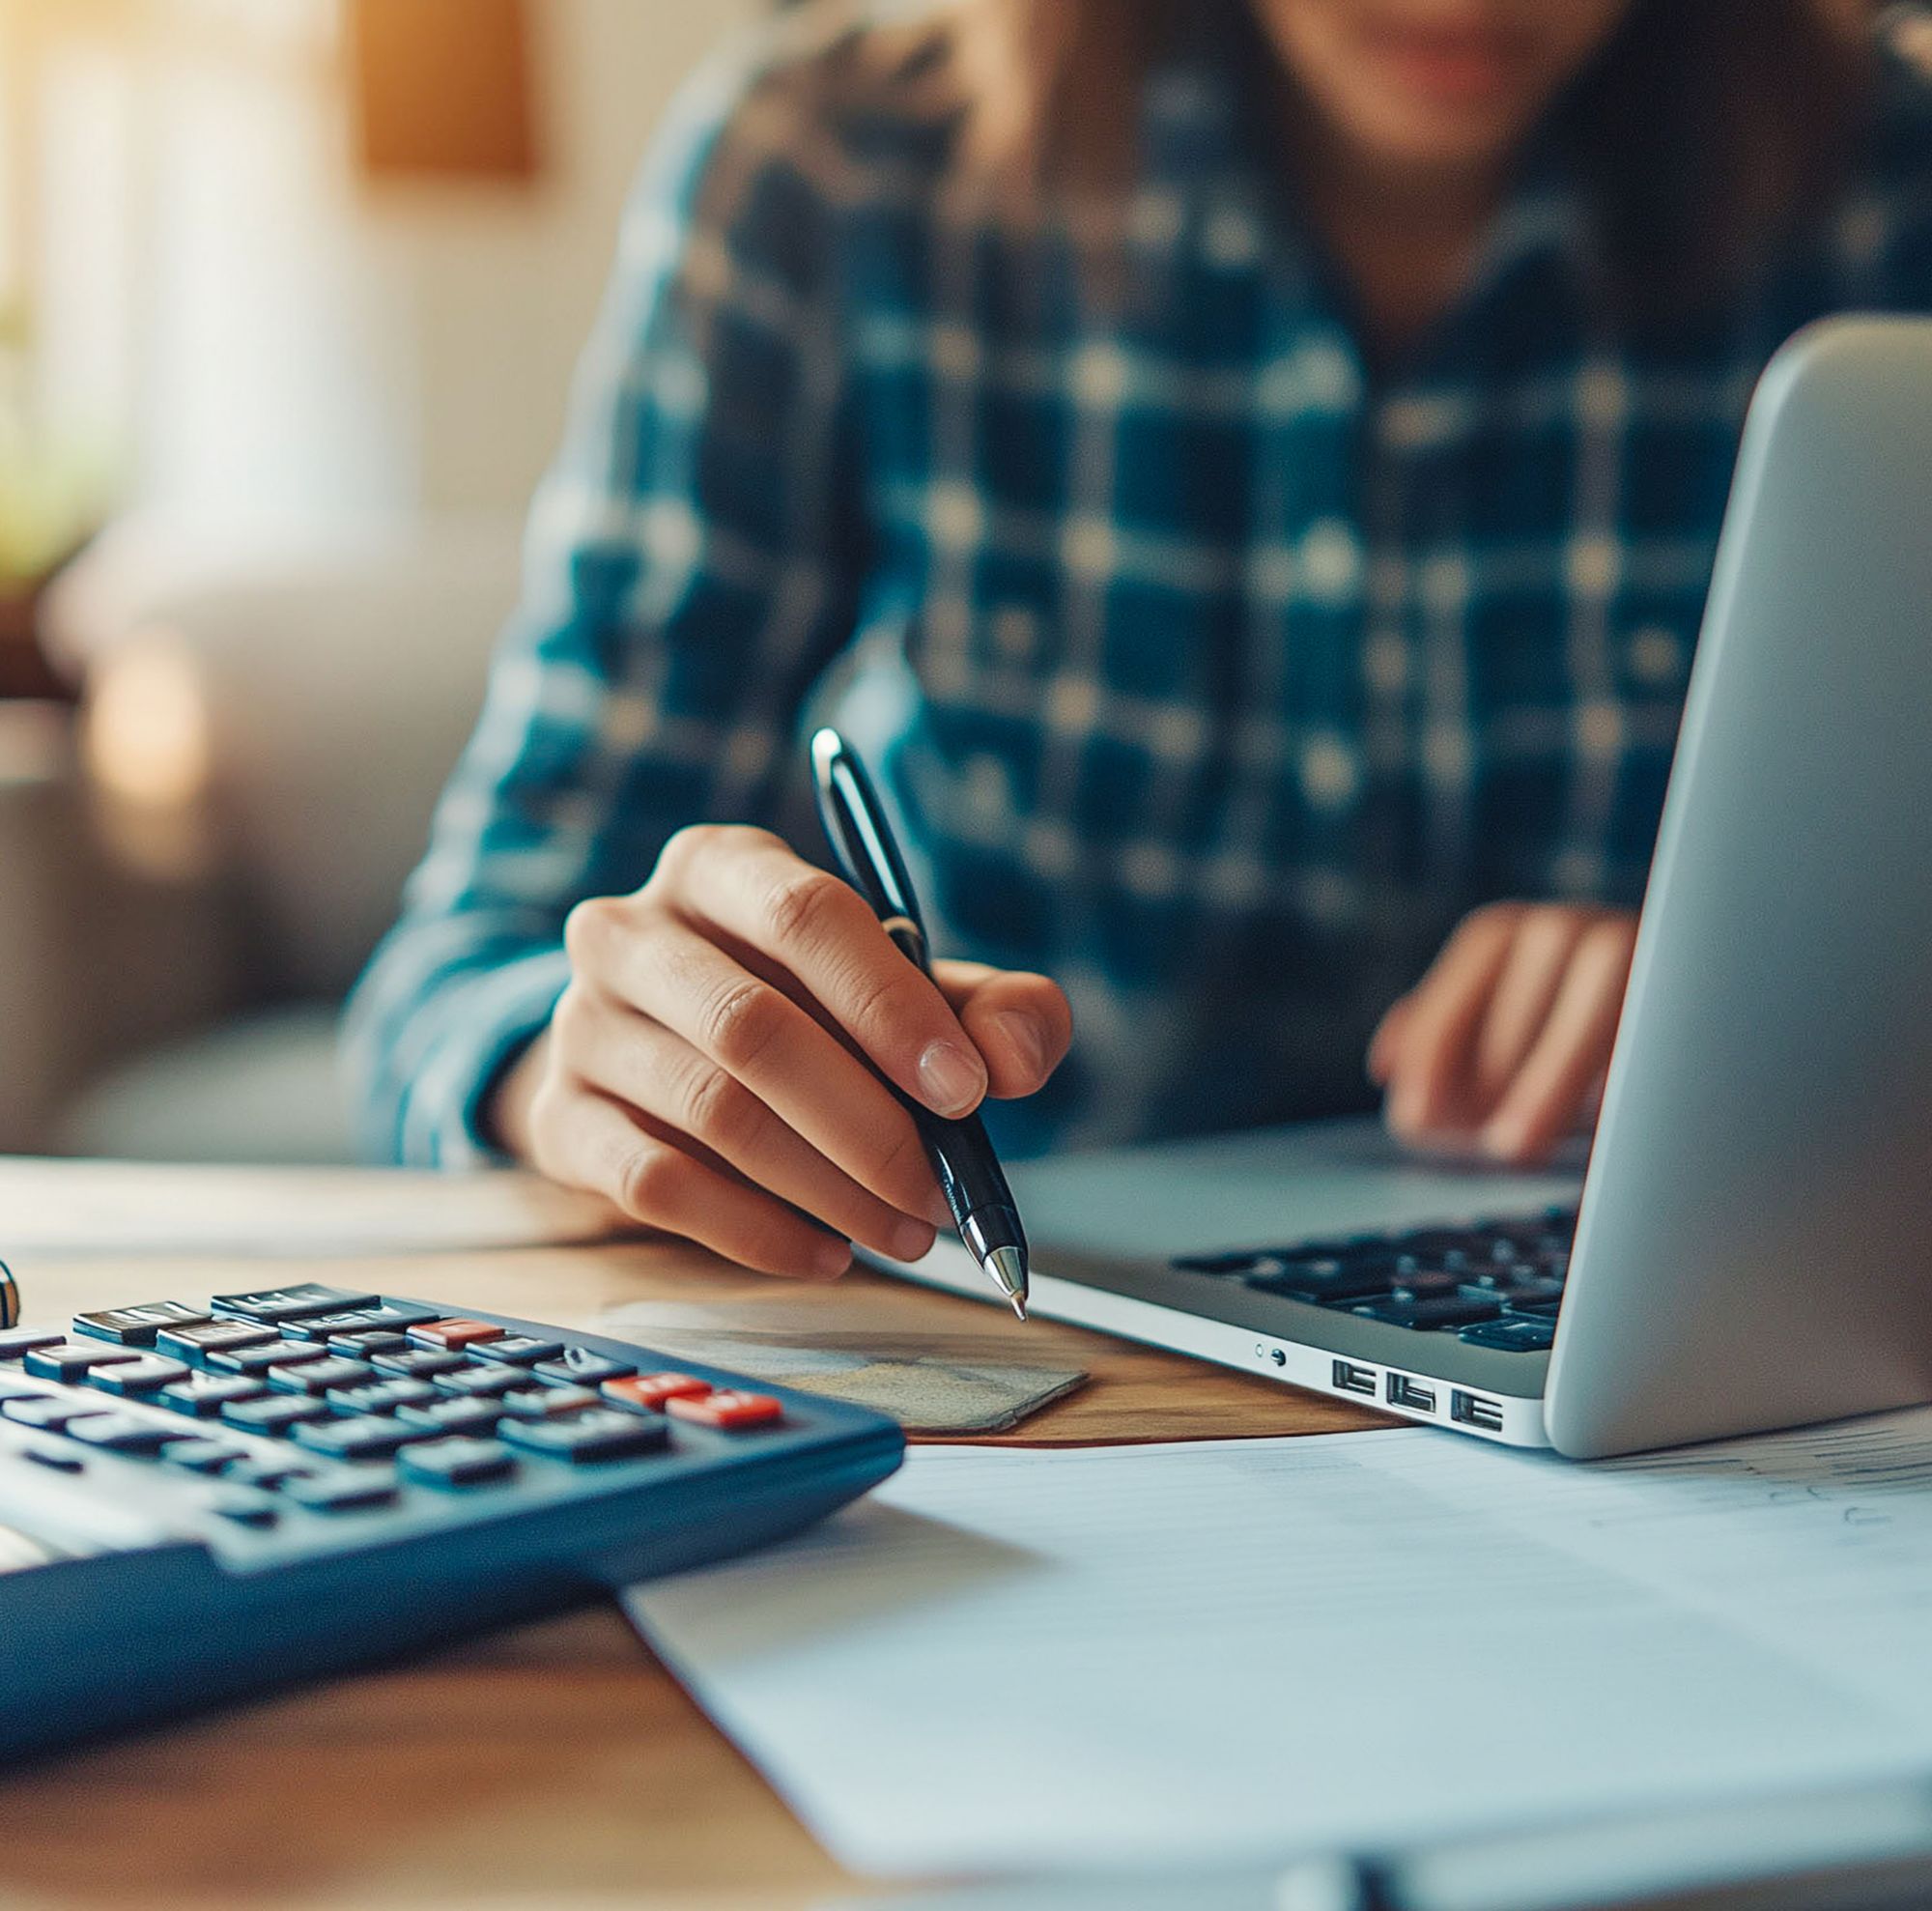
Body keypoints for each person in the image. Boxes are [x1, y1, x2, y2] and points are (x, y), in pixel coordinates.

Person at [345, 0, 1932, 1282]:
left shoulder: (1891, 191)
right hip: (1008, 1340)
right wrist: (578, 1066)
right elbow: (462, 964)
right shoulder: (831, 173)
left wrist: (1768, 1016)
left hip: (1661, 1344)